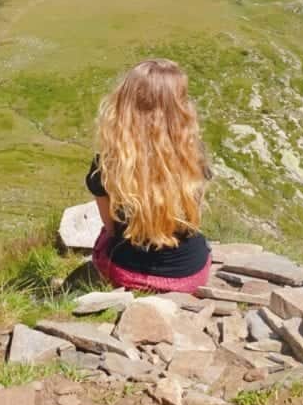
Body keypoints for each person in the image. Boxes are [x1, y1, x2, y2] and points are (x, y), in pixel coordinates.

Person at [86, 58, 212, 293]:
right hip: (191, 274)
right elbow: (194, 218)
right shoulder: (194, 155)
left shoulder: (108, 163)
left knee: (104, 239)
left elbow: (112, 229)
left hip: (128, 274)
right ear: (180, 107)